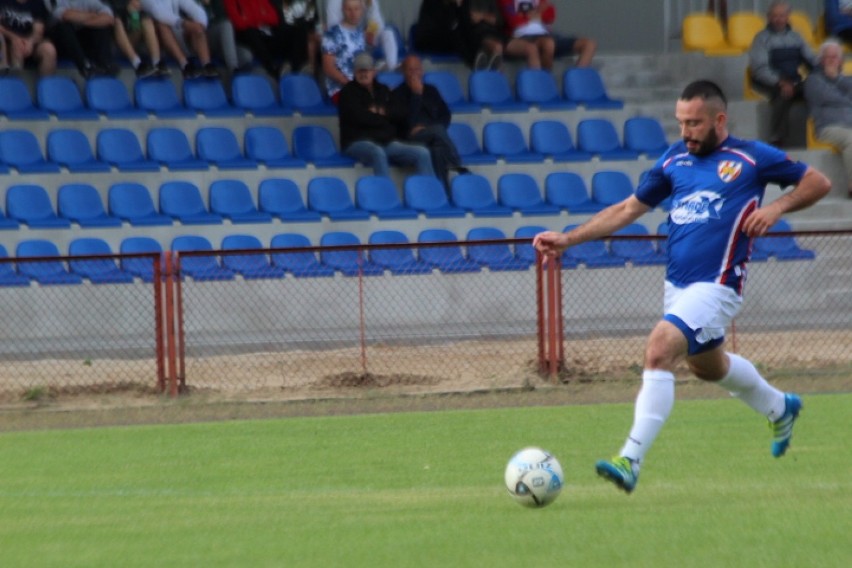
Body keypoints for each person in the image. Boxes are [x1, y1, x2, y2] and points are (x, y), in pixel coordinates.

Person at [533, 80, 831, 494]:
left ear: (719, 120)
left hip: (718, 285)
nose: (685, 131)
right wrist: (569, 238)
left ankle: (630, 460)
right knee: (708, 367)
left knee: (659, 349)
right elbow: (627, 208)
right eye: (680, 123)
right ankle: (780, 407)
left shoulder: (751, 157)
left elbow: (818, 182)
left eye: (694, 123)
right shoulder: (675, 159)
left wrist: (776, 207)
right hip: (678, 287)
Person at [338, 51, 435, 179]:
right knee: (377, 152)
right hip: (356, 142)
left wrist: (379, 112)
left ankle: (431, 194)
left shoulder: (383, 90)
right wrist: (384, 115)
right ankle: (386, 196)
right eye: (360, 71)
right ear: (354, 73)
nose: (363, 74)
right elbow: (359, 118)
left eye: (366, 70)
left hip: (386, 142)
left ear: (373, 71)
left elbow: (400, 113)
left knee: (422, 152)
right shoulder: (347, 93)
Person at [391, 54, 467, 192]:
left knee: (437, 149)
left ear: (422, 71)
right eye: (410, 70)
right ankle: (457, 164)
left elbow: (445, 115)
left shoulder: (432, 90)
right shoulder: (397, 94)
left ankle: (443, 192)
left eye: (417, 69)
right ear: (403, 71)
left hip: (433, 135)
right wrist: (416, 95)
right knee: (437, 131)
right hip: (409, 138)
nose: (414, 73)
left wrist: (428, 128)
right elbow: (405, 124)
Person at [749, 1, 818, 147]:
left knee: (818, 88)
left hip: (794, 80)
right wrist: (781, 81)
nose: (778, 19)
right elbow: (760, 69)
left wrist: (822, 74)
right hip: (769, 82)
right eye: (775, 16)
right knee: (783, 94)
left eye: (782, 15)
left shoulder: (796, 36)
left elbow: (811, 60)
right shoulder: (761, 39)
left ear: (788, 17)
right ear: (768, 17)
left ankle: (820, 131)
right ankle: (777, 139)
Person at [804, 40, 852, 198]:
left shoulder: (847, 80)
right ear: (821, 60)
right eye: (828, 57)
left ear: (841, 60)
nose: (831, 60)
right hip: (828, 127)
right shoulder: (812, 81)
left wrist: (837, 79)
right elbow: (825, 97)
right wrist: (845, 97)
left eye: (835, 57)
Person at [497, 0, 594, 70]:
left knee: (589, 44)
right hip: (521, 36)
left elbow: (550, 15)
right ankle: (543, 86)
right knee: (547, 45)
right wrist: (537, 13)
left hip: (546, 33)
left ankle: (577, 81)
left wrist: (526, 15)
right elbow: (514, 21)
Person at [223, 0, 307, 78]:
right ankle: (272, 69)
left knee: (299, 30)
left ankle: (294, 67)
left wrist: (252, 19)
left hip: (268, 34)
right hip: (251, 40)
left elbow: (274, 18)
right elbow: (238, 23)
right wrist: (260, 18)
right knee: (250, 33)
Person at [140, 0, 219, 78]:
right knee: (162, 24)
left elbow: (193, 7)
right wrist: (184, 24)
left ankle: (206, 65)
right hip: (157, 44)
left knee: (197, 24)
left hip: (176, 30)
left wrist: (201, 25)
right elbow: (158, 12)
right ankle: (184, 65)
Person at [50, 0, 118, 79]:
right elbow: (66, 15)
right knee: (64, 27)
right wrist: (94, 15)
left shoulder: (89, 1)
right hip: (60, 45)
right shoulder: (57, 2)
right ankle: (85, 66)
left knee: (101, 26)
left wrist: (85, 22)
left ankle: (105, 64)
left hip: (81, 42)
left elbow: (109, 18)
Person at [326, 0, 398, 71]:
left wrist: (371, 31)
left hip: (366, 40)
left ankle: (391, 69)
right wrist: (359, 34)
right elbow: (333, 29)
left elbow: (378, 23)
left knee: (388, 33)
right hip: (346, 42)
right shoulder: (334, 2)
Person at [321, 0, 366, 102]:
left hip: (360, 86)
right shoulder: (332, 33)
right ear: (343, 10)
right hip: (340, 89)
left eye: (356, 9)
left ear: (362, 10)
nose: (353, 13)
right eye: (349, 9)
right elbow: (328, 67)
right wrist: (350, 84)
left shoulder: (360, 33)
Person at [0, 0, 58, 76]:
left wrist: (30, 42)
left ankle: (47, 85)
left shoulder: (37, 3)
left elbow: (38, 29)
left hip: (30, 41)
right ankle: (16, 82)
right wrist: (14, 38)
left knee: (49, 49)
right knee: (17, 46)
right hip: (7, 39)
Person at [110, 0, 166, 77]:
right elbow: (109, 11)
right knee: (117, 22)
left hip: (132, 37)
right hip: (116, 41)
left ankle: (156, 63)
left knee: (146, 21)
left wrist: (134, 13)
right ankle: (137, 64)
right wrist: (126, 7)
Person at [200, 0, 253, 77]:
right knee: (226, 24)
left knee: (246, 56)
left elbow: (222, 17)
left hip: (221, 41)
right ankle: (233, 70)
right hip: (203, 40)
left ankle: (241, 82)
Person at [281, 0, 322, 76]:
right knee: (300, 26)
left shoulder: (311, 4)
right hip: (284, 45)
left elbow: (313, 30)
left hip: (305, 50)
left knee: (308, 31)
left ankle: (308, 67)